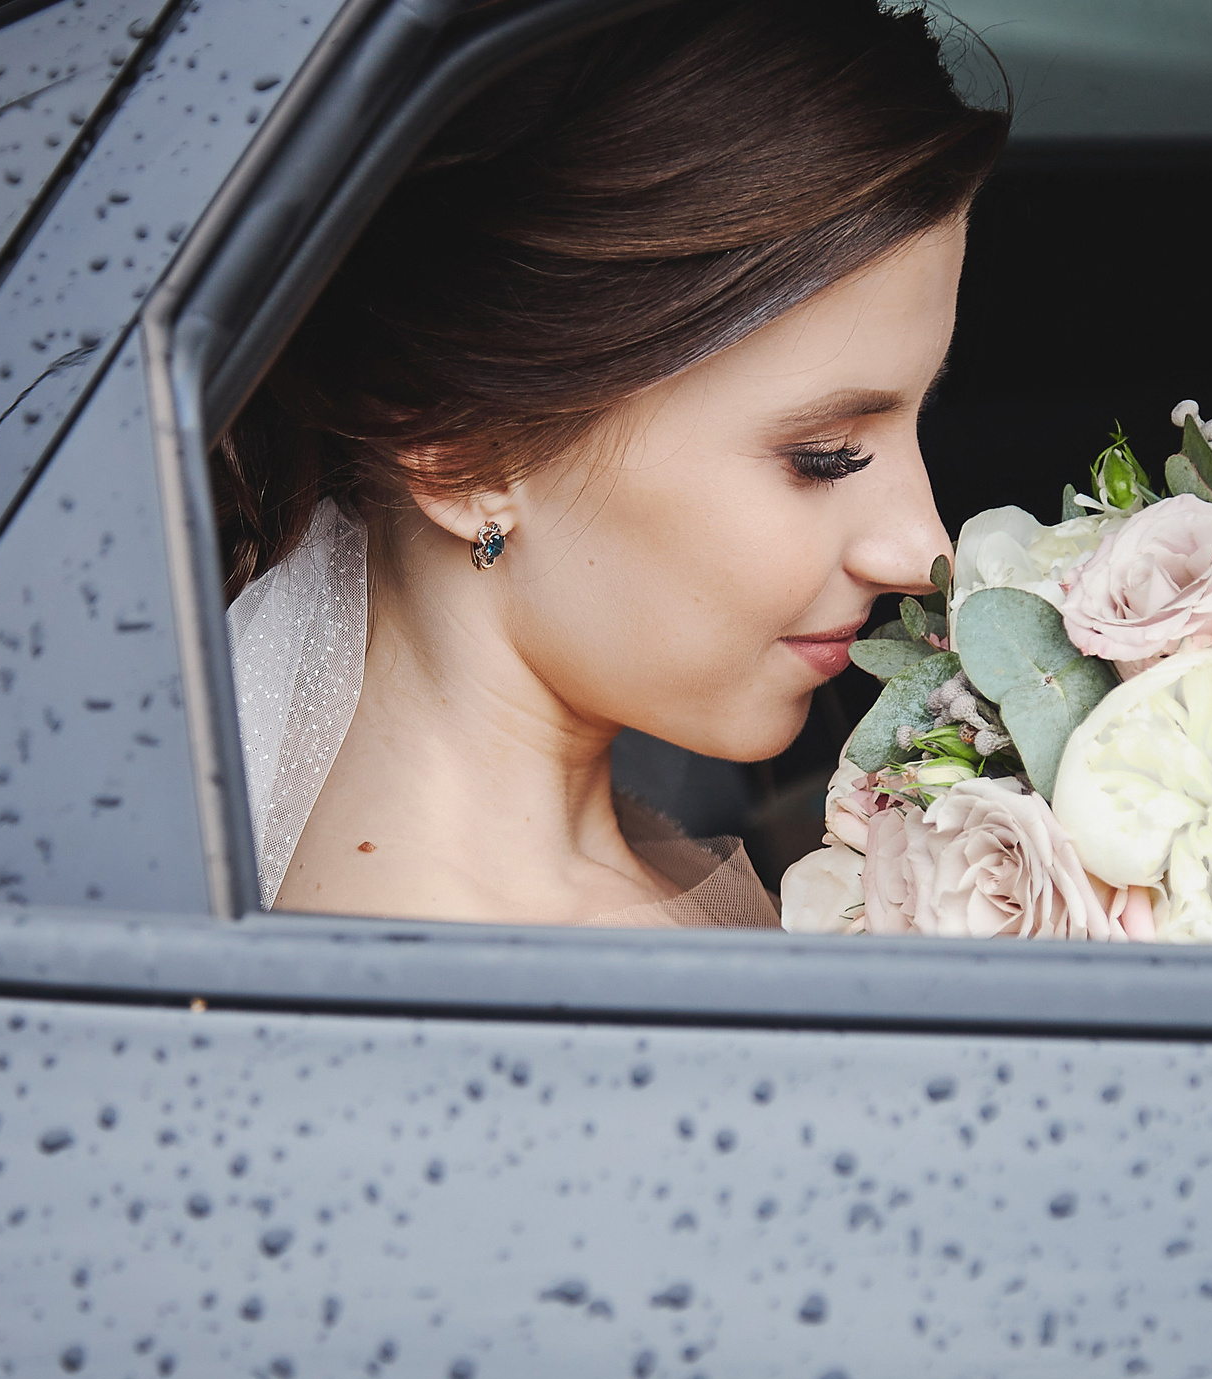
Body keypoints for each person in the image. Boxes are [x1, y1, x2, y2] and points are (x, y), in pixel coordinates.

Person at [214, 0, 1006, 927]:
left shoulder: (625, 877)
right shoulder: (528, 999)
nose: (926, 547)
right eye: (823, 458)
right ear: (464, 451)